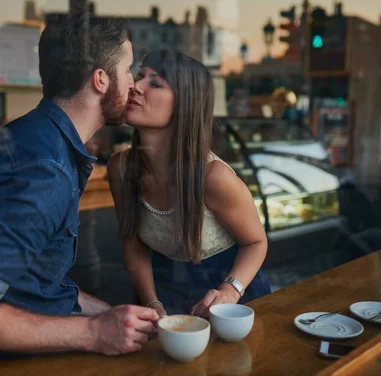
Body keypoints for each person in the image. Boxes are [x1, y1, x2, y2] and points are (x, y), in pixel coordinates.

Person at [0, 10, 159, 364]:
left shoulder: (35, 137)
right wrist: (95, 332)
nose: (133, 83)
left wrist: (109, 316)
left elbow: (33, 287)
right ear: (100, 80)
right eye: (128, 70)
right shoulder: (43, 171)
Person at [107, 50, 271, 319]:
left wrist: (230, 291)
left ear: (185, 105)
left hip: (233, 300)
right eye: (139, 76)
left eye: (156, 83)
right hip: (162, 293)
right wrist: (151, 303)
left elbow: (256, 242)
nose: (135, 86)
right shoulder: (120, 169)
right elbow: (132, 241)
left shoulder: (213, 177)